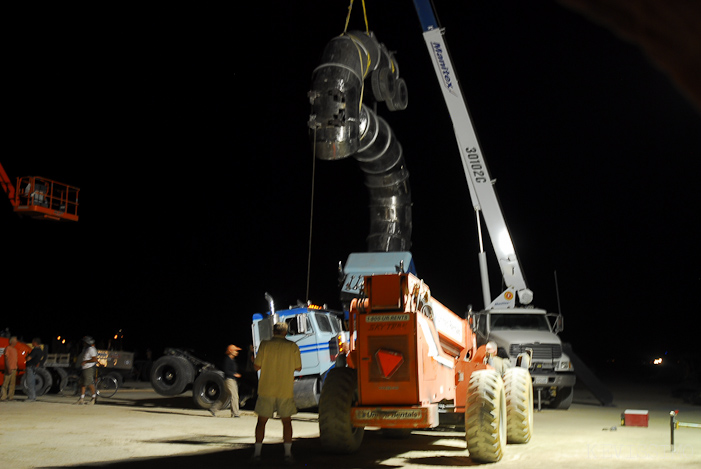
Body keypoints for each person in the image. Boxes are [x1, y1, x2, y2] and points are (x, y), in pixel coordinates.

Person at [251, 322, 302, 465]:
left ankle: (256, 454)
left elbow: (256, 366)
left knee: (261, 422)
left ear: (273, 332)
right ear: (286, 333)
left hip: (266, 389)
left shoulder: (264, 345)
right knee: (287, 423)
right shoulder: (292, 346)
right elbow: (298, 367)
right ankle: (287, 454)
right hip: (284, 390)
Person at [210, 344, 242, 417]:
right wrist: (234, 374)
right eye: (235, 351)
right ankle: (235, 413)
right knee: (234, 396)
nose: (237, 352)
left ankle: (213, 408)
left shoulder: (232, 360)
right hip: (229, 380)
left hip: (231, 380)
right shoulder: (227, 360)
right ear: (231, 351)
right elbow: (226, 370)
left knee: (225, 396)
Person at [76, 336, 98, 405]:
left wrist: (86, 361)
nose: (83, 343)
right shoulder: (86, 349)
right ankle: (81, 398)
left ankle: (93, 398)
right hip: (85, 368)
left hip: (89, 368)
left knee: (89, 383)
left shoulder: (91, 349)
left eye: (84, 342)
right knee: (83, 383)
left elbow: (95, 359)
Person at [25, 337, 47, 402]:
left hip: (30, 367)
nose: (32, 343)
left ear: (35, 342)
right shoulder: (40, 351)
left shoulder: (35, 350)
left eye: (32, 342)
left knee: (30, 382)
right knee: (33, 382)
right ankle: (33, 396)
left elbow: (28, 358)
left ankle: (31, 397)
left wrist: (27, 357)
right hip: (35, 367)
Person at [1, 336, 19, 401]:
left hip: (14, 368)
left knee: (12, 383)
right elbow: (6, 359)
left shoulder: (15, 349)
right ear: (12, 341)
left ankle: (10, 396)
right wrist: (8, 368)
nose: (17, 342)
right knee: (6, 383)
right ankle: (3, 396)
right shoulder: (8, 348)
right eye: (15, 340)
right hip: (9, 368)